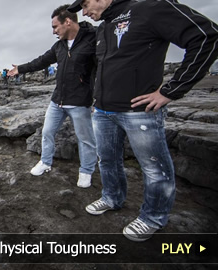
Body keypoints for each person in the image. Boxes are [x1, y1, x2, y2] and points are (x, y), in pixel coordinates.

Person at [67, 0, 218, 241]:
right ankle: (112, 198)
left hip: (139, 112)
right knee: (106, 160)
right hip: (104, 111)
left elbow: (207, 36)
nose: (84, 13)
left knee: (154, 167)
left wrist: (171, 90)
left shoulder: (149, 8)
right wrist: (96, 98)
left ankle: (153, 217)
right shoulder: (104, 27)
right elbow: (104, 65)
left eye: (85, 5)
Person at [8, 5, 98, 188]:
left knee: (85, 139)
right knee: (47, 132)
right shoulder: (59, 46)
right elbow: (41, 61)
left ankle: (86, 171)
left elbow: (103, 67)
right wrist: (20, 69)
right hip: (58, 101)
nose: (53, 31)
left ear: (68, 22)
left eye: (55, 27)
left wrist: (98, 96)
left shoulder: (92, 39)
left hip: (80, 102)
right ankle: (45, 162)